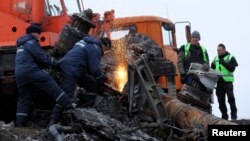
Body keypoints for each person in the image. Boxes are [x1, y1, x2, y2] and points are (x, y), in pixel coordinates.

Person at [15, 24, 75, 127]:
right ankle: (68, 104)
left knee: (24, 97)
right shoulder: (32, 42)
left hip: (19, 74)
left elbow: (34, 59)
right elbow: (42, 58)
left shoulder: (22, 44)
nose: (39, 36)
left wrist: (44, 65)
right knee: (50, 83)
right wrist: (56, 63)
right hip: (30, 71)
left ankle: (20, 123)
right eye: (38, 34)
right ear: (34, 33)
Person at [211, 43, 238, 120]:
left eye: (219, 50)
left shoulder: (230, 57)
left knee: (231, 99)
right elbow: (212, 70)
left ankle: (234, 116)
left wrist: (223, 62)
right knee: (221, 102)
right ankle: (224, 117)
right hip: (219, 83)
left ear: (224, 50)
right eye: (217, 50)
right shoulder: (215, 58)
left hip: (228, 83)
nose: (218, 52)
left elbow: (232, 68)